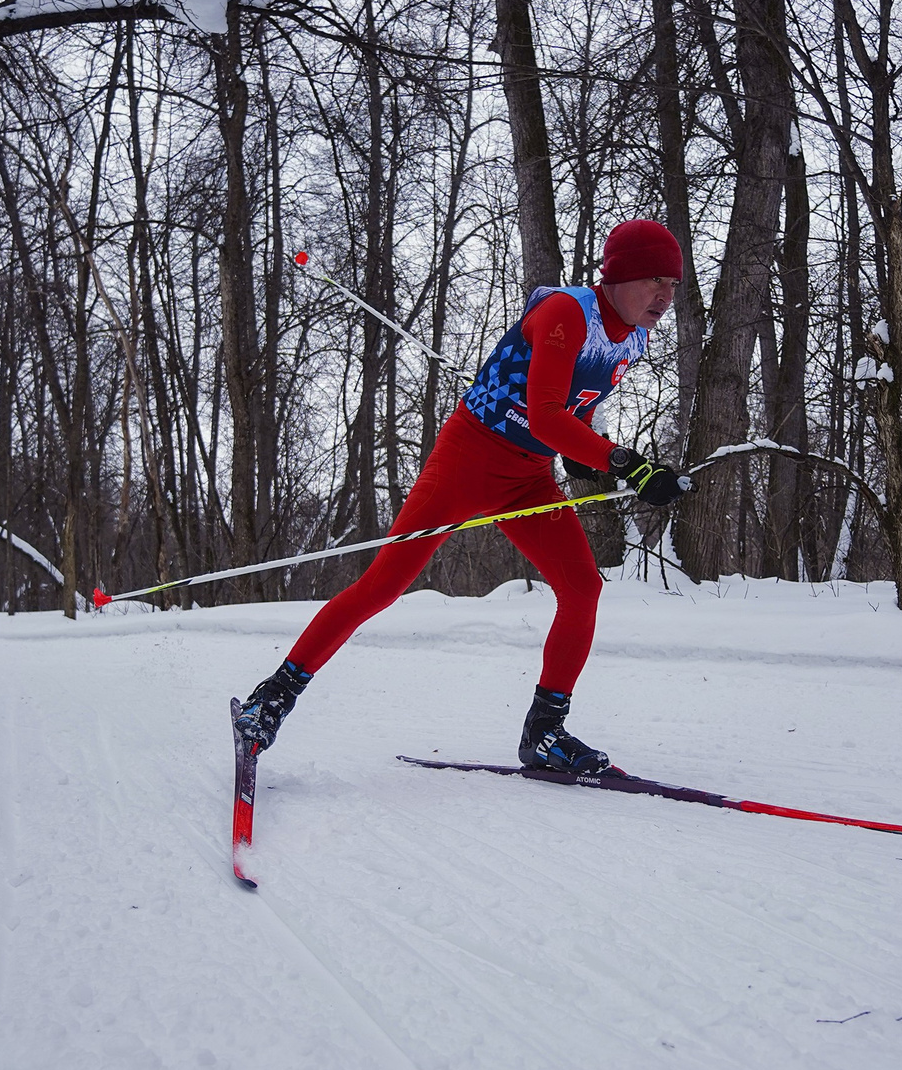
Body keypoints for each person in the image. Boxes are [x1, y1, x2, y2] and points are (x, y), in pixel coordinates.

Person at [233, 218, 693, 774]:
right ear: (617, 277)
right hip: (468, 459)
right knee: (383, 587)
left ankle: (544, 734)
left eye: (674, 284)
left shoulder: (636, 336)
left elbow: (580, 398)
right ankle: (269, 702)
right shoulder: (566, 314)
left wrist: (583, 444)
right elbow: (546, 414)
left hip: (528, 476)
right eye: (654, 281)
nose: (666, 296)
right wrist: (626, 463)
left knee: (582, 588)